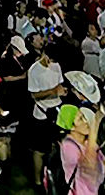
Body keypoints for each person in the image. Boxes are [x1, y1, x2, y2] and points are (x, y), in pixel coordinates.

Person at [59, 105, 105, 195]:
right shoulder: (68, 146)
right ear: (72, 128)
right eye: (80, 119)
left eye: (84, 116)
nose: (86, 121)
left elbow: (104, 169)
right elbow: (89, 160)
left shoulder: (86, 143)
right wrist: (95, 123)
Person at [27, 43, 65, 185]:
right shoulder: (34, 71)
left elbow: (59, 85)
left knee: (56, 145)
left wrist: (61, 91)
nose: (52, 64)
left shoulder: (56, 65)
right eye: (50, 60)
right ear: (44, 54)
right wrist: (53, 91)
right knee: (40, 150)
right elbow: (34, 95)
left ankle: (53, 176)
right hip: (42, 114)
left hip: (57, 110)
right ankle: (37, 180)